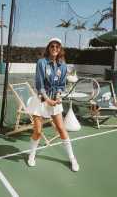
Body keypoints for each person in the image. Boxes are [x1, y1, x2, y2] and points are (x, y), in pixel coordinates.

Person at [28, 37, 79, 172]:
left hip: (54, 100)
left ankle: (72, 158)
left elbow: (62, 85)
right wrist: (47, 99)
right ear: (48, 48)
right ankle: (31, 155)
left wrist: (58, 96)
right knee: (38, 131)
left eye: (57, 46)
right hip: (41, 99)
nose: (55, 49)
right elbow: (39, 84)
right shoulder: (41, 63)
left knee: (62, 130)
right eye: (52, 46)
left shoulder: (63, 65)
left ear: (60, 49)